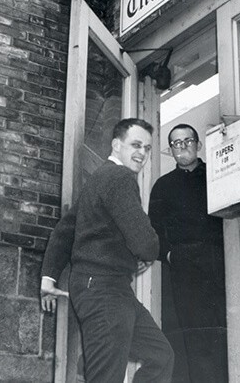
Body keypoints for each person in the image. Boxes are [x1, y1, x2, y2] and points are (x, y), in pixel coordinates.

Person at [40, 118, 174, 383]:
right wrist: (149, 250)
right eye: (136, 145)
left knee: (160, 355)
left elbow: (65, 230)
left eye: (147, 148)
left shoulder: (98, 178)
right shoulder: (121, 177)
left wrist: (48, 277)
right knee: (106, 377)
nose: (142, 154)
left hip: (106, 289)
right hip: (104, 291)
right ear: (116, 144)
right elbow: (145, 243)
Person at [148, 123, 228, 383]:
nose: (182, 147)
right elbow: (154, 233)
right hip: (185, 269)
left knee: (227, 332)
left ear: (198, 144)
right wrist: (171, 256)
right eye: (176, 143)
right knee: (195, 338)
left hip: (221, 260)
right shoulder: (163, 186)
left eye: (187, 141)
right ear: (170, 150)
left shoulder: (218, 173)